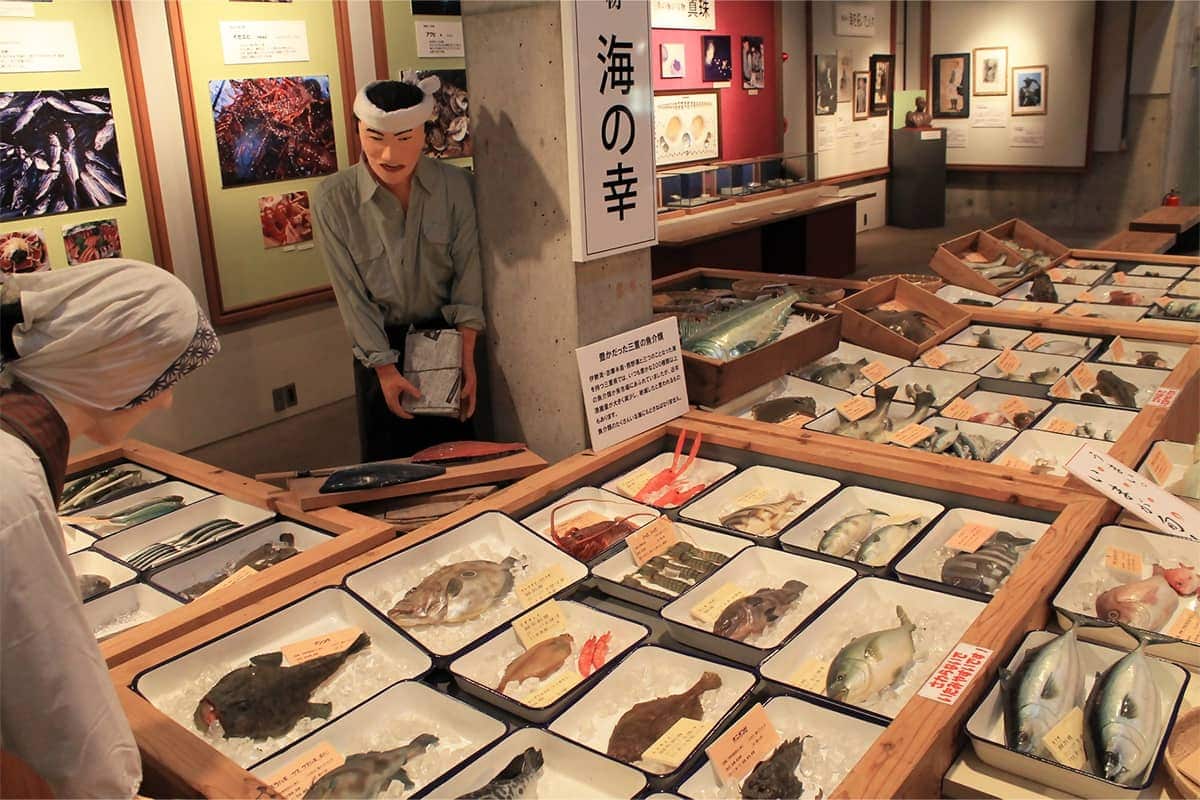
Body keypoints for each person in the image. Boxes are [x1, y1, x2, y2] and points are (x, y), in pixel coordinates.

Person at [0, 258, 220, 798]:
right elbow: (56, 701)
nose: (166, 399)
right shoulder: (11, 490)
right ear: (114, 366)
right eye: (159, 378)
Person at [313, 78, 484, 461]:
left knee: (456, 460)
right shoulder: (334, 200)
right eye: (376, 137)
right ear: (358, 129)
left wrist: (467, 357)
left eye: (405, 138)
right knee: (390, 467)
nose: (390, 153)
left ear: (424, 133)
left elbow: (469, 272)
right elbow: (351, 295)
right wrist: (385, 369)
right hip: (380, 351)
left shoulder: (457, 187)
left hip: (448, 341)